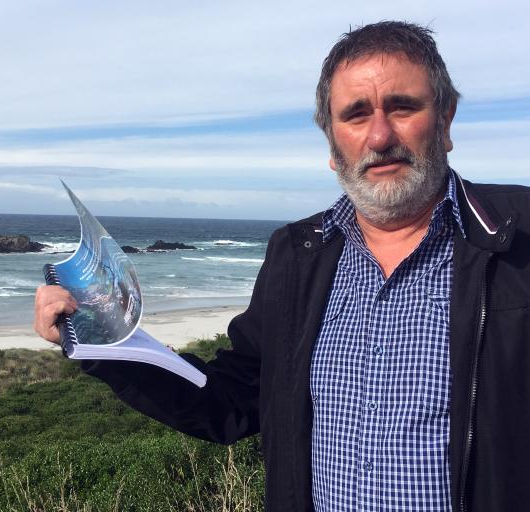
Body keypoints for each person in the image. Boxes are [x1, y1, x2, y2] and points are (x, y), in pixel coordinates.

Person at [34, 21, 530, 512]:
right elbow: (232, 401)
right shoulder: (296, 254)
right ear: (333, 147)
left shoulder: (518, 239)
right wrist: (100, 342)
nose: (379, 135)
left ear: (445, 121)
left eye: (402, 107)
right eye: (355, 115)